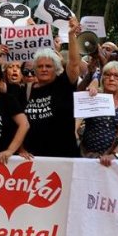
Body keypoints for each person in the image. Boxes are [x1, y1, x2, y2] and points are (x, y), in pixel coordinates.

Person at [20, 17, 81, 157]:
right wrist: (21, 149)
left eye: (48, 66)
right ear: (34, 70)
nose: (44, 69)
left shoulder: (64, 84)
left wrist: (72, 35)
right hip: (33, 158)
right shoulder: (26, 90)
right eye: (40, 66)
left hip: (63, 156)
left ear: (57, 68)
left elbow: (74, 63)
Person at [81, 61, 118, 164]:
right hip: (90, 158)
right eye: (108, 75)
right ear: (102, 79)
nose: (111, 79)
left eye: (117, 76)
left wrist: (114, 155)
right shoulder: (93, 96)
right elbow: (77, 121)